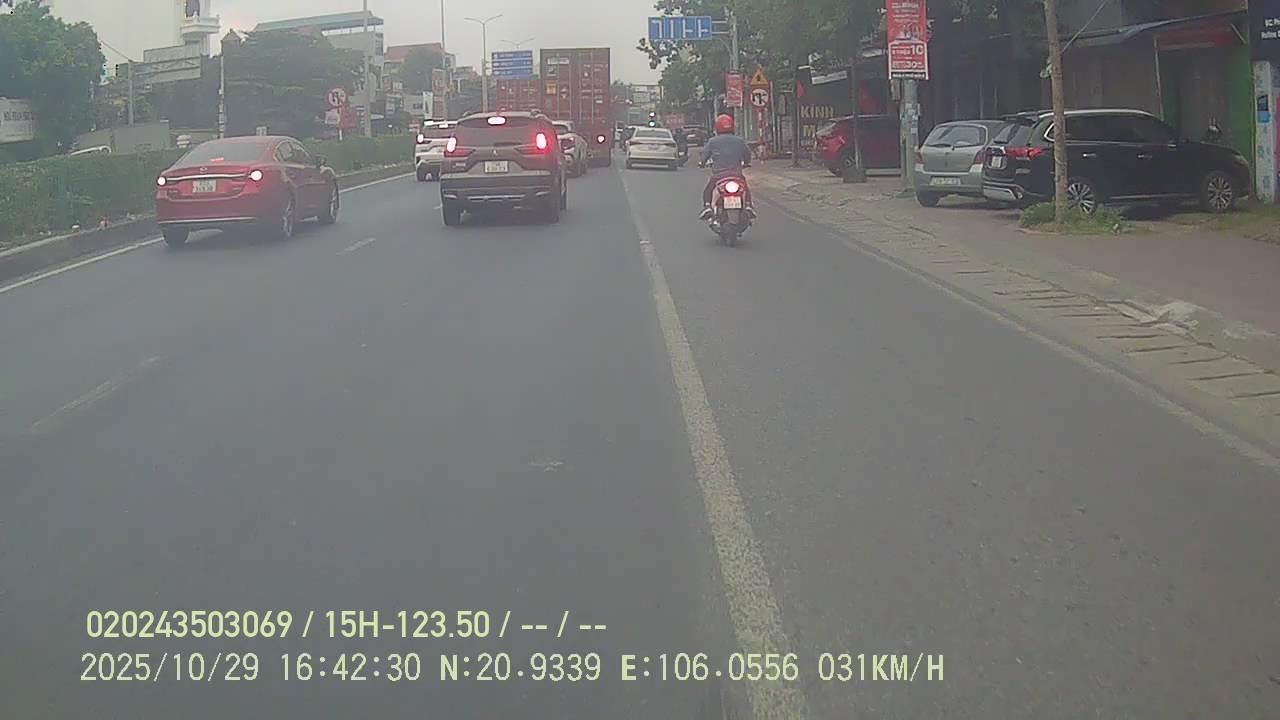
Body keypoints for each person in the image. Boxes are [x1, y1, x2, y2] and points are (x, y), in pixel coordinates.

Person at [699, 114, 753, 219]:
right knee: (745, 187)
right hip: (736, 175)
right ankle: (748, 205)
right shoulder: (739, 141)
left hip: (718, 176)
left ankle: (707, 207)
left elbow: (705, 154)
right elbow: (747, 154)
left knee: (708, 190)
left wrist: (702, 163)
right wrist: (747, 162)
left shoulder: (712, 141)